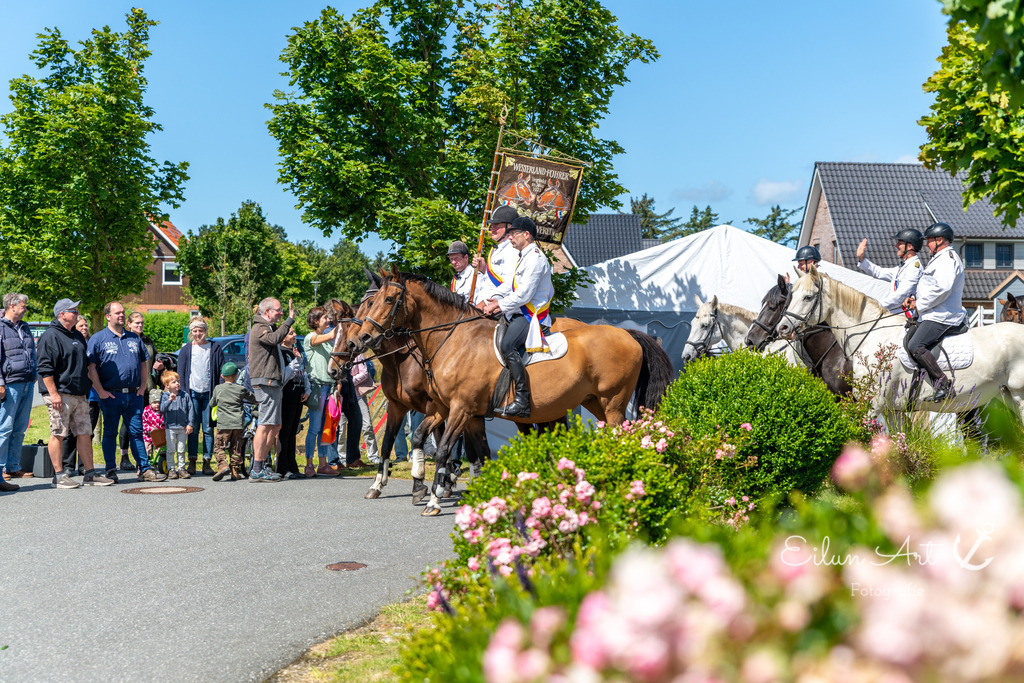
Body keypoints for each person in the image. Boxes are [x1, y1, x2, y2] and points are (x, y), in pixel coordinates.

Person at [481, 216, 554, 418]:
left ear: (526, 235)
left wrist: (499, 305)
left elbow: (524, 295)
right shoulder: (523, 256)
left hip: (531, 315)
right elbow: (510, 286)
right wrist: (491, 300)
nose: (510, 238)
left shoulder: (536, 258)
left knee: (507, 346)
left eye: (514, 234)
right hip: (517, 310)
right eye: (510, 234)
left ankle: (522, 399)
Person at [36, 299, 114, 488]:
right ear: (62, 314)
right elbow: (45, 369)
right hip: (59, 394)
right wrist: (53, 394)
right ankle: (59, 475)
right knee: (59, 433)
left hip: (80, 394)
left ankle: (89, 473)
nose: (77, 313)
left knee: (85, 433)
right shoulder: (50, 336)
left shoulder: (78, 336)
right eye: (73, 310)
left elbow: (86, 365)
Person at [88, 301, 165, 482]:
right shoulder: (98, 339)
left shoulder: (134, 338)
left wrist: (142, 387)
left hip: (134, 396)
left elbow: (143, 364)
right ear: (108, 316)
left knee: (137, 432)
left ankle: (145, 469)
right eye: (117, 313)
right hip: (111, 395)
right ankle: (110, 470)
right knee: (110, 433)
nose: (121, 315)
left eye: (123, 312)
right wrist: (100, 391)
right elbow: (91, 368)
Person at [902, 222, 967, 402]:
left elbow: (943, 289)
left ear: (939, 240)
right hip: (931, 312)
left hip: (944, 315)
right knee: (907, 340)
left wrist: (918, 305)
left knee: (916, 345)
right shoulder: (939, 258)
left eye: (929, 241)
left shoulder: (948, 259)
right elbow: (930, 287)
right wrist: (914, 298)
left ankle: (944, 385)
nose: (927, 245)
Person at [247, 297, 293, 482]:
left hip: (272, 381)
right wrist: (290, 319)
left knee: (275, 426)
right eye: (278, 310)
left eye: (282, 310)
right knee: (266, 424)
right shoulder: (260, 328)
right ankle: (257, 467)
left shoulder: (266, 327)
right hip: (265, 381)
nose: (281, 313)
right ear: (267, 312)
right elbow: (275, 340)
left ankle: (262, 466)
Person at [176, 317, 225, 475]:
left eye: (201, 330)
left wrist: (218, 393)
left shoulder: (214, 348)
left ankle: (207, 461)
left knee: (209, 429)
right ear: (191, 332)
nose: (198, 334)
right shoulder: (186, 349)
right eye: (195, 331)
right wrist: (183, 395)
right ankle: (192, 461)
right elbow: (181, 374)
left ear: (206, 331)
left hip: (210, 395)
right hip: (192, 395)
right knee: (193, 428)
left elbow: (220, 373)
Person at [0, 293, 38, 487]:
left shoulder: (24, 326)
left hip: (27, 382)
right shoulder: (1, 327)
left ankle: (13, 466)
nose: (25, 309)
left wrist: (35, 374)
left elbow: (32, 352)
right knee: (4, 427)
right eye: (23, 306)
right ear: (12, 306)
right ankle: (1, 468)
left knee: (20, 427)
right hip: (10, 384)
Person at [117, 312, 163, 472]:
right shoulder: (124, 339)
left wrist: (160, 365)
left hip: (149, 389)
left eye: (142, 323)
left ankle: (150, 457)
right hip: (131, 388)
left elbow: (155, 359)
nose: (140, 326)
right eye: (136, 323)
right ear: (128, 324)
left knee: (152, 424)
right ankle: (124, 456)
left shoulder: (148, 341)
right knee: (128, 424)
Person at [302, 306, 340, 476]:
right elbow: (332, 335)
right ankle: (309, 463)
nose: (327, 319)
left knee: (326, 428)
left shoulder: (327, 342)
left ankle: (323, 463)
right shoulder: (311, 337)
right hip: (317, 387)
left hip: (329, 387)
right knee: (315, 428)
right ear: (316, 321)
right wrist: (341, 325)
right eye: (324, 317)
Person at [62, 315, 101, 476]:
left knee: (87, 432)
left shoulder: (91, 344)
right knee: (70, 433)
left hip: (93, 396)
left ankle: (84, 465)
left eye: (86, 326)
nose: (84, 328)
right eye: (81, 326)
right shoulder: (72, 344)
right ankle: (68, 465)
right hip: (75, 394)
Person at [856, 230, 923, 315]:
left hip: (906, 315)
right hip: (895, 313)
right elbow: (879, 272)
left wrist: (875, 306)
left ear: (909, 246)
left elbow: (900, 296)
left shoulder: (914, 269)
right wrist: (862, 258)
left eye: (899, 243)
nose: (896, 246)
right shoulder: (903, 266)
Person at [209, 362, 253, 481]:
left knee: (219, 447)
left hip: (224, 424)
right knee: (236, 448)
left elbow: (212, 403)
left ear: (222, 376)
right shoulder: (240, 389)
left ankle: (222, 466)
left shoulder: (218, 388)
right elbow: (252, 398)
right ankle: (234, 471)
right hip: (238, 424)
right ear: (236, 375)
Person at [278, 328, 310, 479]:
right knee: (285, 432)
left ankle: (293, 465)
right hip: (287, 396)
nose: (295, 335)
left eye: (295, 332)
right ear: (283, 337)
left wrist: (307, 389)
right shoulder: (281, 352)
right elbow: (283, 376)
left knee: (293, 432)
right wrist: (295, 361)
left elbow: (303, 373)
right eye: (291, 333)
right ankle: (283, 467)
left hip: (299, 396)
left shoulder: (297, 351)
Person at [472, 204, 520, 295]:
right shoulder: (496, 249)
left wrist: (484, 304)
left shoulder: (512, 250)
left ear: (509, 227)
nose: (492, 229)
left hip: (496, 305)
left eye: (496, 225)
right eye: (492, 225)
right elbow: (494, 279)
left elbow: (509, 285)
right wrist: (484, 269)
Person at [160, 370, 195, 479]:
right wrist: (170, 400)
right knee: (171, 450)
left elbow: (191, 410)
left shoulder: (185, 395)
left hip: (182, 427)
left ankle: (181, 468)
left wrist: (190, 424)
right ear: (167, 385)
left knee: (181, 449)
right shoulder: (165, 396)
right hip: (170, 428)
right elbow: (162, 409)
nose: (177, 384)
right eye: (174, 382)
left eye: (178, 381)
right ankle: (171, 469)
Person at [351, 353, 380, 465]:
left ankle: (373, 455)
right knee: (342, 427)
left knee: (367, 425)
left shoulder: (358, 355)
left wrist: (350, 381)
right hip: (344, 395)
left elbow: (364, 373)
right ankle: (342, 456)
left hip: (358, 395)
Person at [448, 240, 491, 305]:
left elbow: (484, 299)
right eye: (451, 259)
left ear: (466, 257)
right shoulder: (454, 281)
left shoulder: (476, 275)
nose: (453, 262)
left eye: (456, 258)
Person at [141, 389, 165, 472]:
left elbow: (165, 422)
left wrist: (162, 429)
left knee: (160, 449)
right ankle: (145, 463)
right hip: (148, 434)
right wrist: (149, 429)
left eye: (159, 402)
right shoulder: (147, 410)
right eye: (154, 403)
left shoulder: (163, 411)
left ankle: (160, 461)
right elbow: (143, 422)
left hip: (159, 435)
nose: (157, 405)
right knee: (146, 448)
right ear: (150, 402)